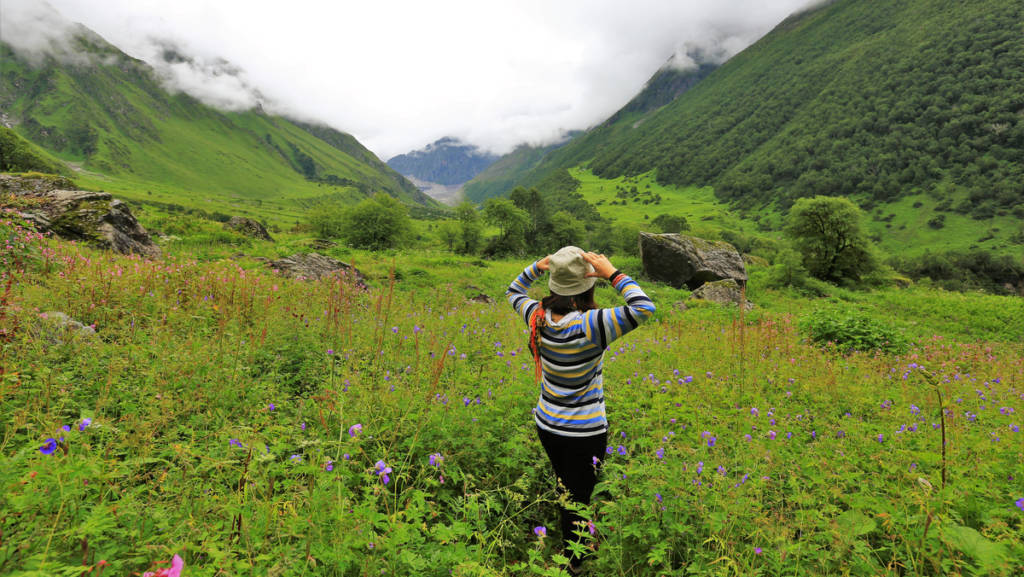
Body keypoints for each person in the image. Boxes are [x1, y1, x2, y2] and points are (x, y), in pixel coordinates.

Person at [506, 246, 656, 571]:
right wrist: (612, 274)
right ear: (588, 284)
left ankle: (573, 539)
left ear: (553, 283)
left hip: (547, 424)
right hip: (584, 432)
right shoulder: (593, 324)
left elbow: (513, 291)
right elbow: (644, 307)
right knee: (579, 498)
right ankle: (574, 562)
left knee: (565, 483)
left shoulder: (536, 316)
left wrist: (536, 266)